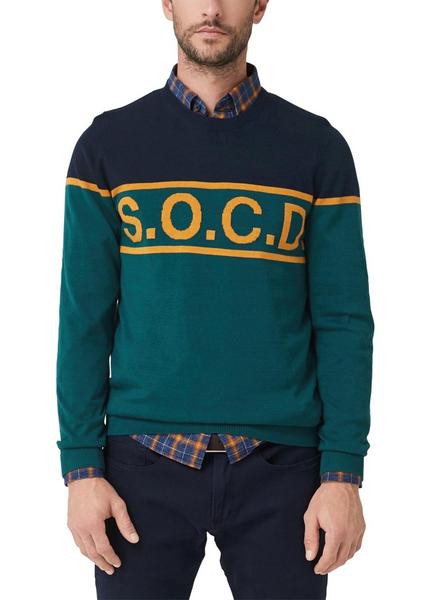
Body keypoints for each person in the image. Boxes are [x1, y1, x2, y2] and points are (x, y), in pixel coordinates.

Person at [56, 1, 374, 598]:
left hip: (285, 467)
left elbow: (344, 320)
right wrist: (80, 468)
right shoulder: (108, 145)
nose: (210, 9)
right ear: (167, 3)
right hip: (138, 466)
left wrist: (343, 472)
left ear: (260, 5)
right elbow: (84, 320)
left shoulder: (317, 148)